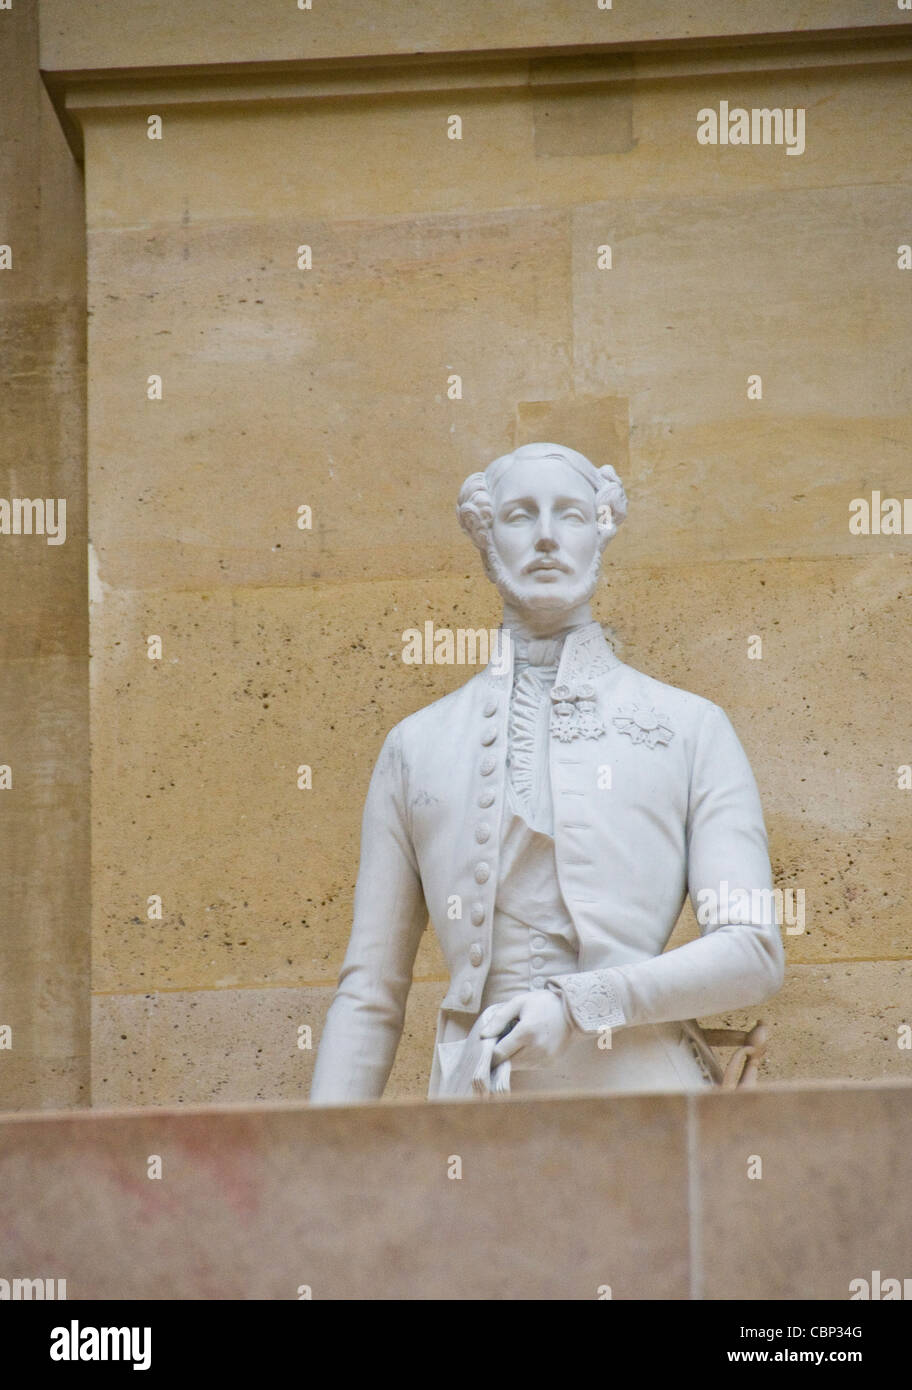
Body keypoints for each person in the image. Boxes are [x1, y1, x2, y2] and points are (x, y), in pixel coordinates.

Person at [310, 442, 784, 1103]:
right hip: (475, 1109)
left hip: (645, 1103)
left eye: (569, 514)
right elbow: (369, 994)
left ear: (601, 531)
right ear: (485, 537)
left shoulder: (691, 727)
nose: (545, 537)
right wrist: (314, 1177)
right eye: (518, 515)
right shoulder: (415, 746)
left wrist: (578, 1003)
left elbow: (753, 949)